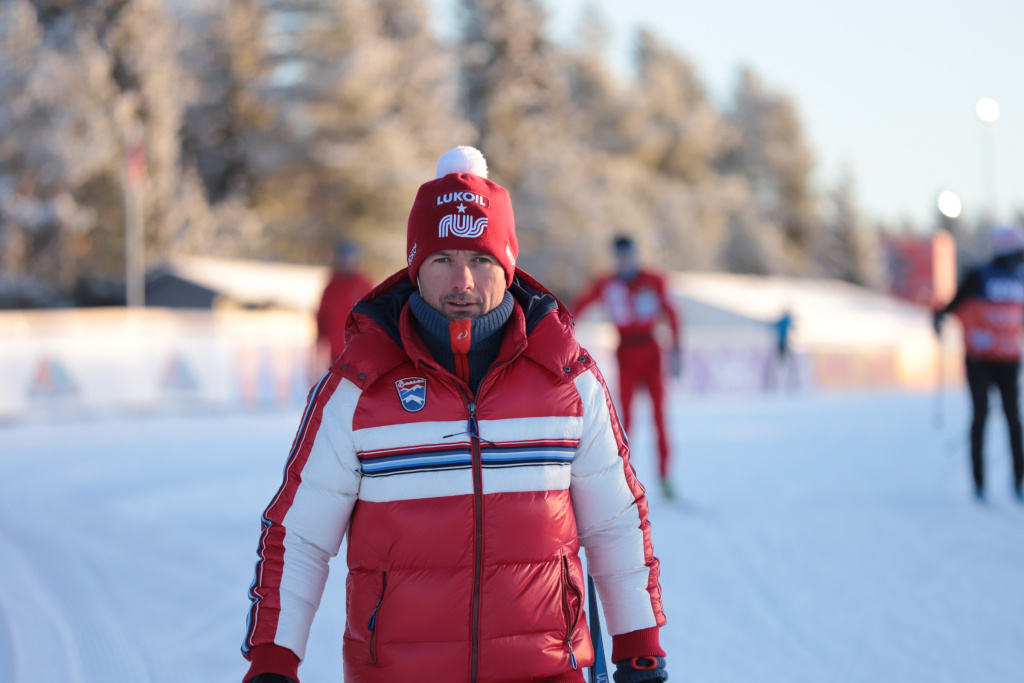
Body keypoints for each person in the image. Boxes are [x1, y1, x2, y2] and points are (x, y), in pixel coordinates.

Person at [241, 147, 668, 683]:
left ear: (509, 266)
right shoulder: (357, 388)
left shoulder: (567, 380)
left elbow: (615, 521)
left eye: (481, 259)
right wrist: (273, 661)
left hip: (544, 670)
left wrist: (638, 647)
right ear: (415, 267)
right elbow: (299, 534)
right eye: (443, 259)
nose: (462, 281)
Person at [570, 236, 682, 498]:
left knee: (659, 418)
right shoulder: (608, 284)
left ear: (635, 254)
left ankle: (665, 476)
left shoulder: (653, 280)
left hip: (652, 350)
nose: (624, 261)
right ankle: (623, 477)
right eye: (619, 256)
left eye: (628, 255)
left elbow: (673, 314)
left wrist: (677, 351)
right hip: (626, 351)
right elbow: (578, 307)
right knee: (625, 419)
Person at [934, 224, 1024, 502]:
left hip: (1008, 359)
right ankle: (980, 482)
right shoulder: (979, 275)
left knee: (1012, 418)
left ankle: (1018, 481)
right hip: (980, 360)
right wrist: (939, 318)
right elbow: (952, 306)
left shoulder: (1020, 278)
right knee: (983, 416)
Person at [314, 241, 373, 370]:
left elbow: (374, 317)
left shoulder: (364, 285)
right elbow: (322, 317)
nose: (346, 263)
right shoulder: (331, 286)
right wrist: (318, 343)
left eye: (349, 259)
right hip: (336, 353)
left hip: (358, 352)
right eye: (343, 259)